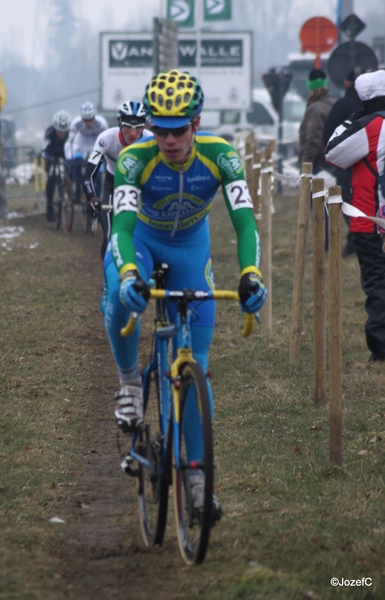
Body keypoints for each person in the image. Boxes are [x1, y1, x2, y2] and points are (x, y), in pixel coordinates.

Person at [103, 69, 267, 517]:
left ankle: (196, 477)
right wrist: (131, 272)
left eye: (177, 131)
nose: (168, 140)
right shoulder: (136, 160)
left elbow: (245, 221)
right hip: (143, 241)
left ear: (196, 123)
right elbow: (120, 228)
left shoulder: (222, 156)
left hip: (191, 250)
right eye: (159, 130)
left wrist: (251, 271)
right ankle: (130, 382)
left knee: (196, 366)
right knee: (120, 291)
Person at [325, 69, 385, 362]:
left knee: (377, 285)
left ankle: (381, 347)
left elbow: (333, 153)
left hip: (371, 221)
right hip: (373, 219)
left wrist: (353, 119)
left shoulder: (370, 126)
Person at [82, 101, 151, 261]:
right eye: (128, 127)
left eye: (139, 127)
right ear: (120, 124)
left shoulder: (150, 139)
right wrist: (92, 198)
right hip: (114, 184)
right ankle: (109, 280)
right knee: (110, 236)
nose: (133, 134)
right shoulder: (106, 139)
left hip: (144, 186)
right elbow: (88, 175)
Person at [323, 68, 364, 257]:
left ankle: (355, 240)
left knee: (347, 202)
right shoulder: (372, 107)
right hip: (372, 165)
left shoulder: (341, 106)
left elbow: (328, 135)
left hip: (346, 166)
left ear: (346, 83)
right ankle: (361, 239)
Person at [299, 68, 335, 251]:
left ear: (311, 86)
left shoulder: (315, 108)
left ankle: (323, 246)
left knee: (319, 209)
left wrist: (304, 168)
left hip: (318, 166)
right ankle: (329, 244)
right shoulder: (332, 103)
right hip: (332, 164)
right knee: (332, 208)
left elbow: (312, 141)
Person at [65, 101, 108, 204]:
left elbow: (107, 140)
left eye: (90, 120)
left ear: (94, 117)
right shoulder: (76, 123)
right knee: (77, 164)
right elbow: (69, 143)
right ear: (82, 118)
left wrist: (106, 157)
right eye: (86, 120)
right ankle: (78, 189)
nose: (88, 123)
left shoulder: (102, 123)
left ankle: (96, 199)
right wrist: (69, 158)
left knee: (98, 173)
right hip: (80, 145)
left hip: (95, 146)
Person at [42, 110, 71, 222]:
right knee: (51, 177)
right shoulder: (49, 132)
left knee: (70, 172)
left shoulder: (71, 133)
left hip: (65, 154)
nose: (62, 135)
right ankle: (49, 205)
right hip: (52, 155)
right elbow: (45, 148)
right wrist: (46, 156)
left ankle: (68, 194)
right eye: (59, 132)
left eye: (64, 132)